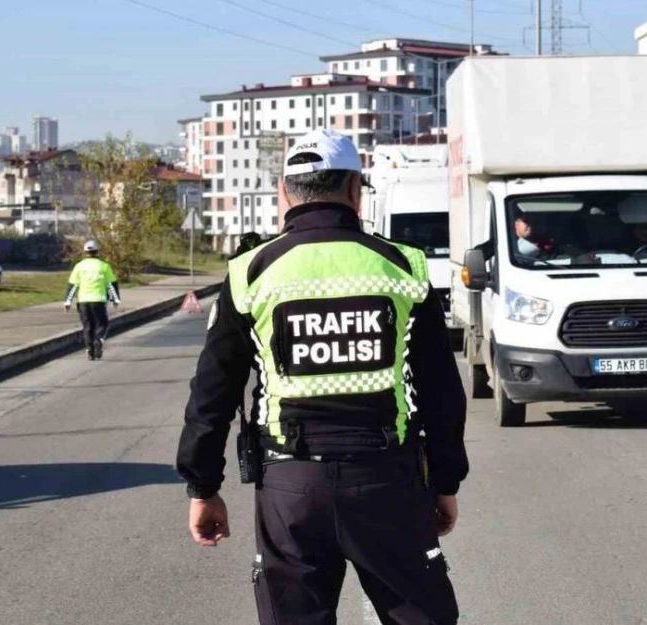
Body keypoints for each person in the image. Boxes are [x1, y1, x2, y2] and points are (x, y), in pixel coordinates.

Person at [175, 128, 468, 625]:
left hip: (290, 486)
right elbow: (441, 389)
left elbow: (213, 394)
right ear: (356, 190)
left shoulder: (250, 272)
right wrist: (444, 481)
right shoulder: (401, 266)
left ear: (284, 193)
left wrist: (203, 488)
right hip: (387, 484)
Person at [64, 240, 120, 361]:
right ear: (97, 252)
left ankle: (89, 349)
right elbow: (111, 284)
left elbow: (73, 285)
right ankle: (98, 339)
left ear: (85, 252)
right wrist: (115, 299)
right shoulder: (104, 266)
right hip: (99, 300)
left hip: (83, 301)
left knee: (87, 326)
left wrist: (68, 301)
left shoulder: (79, 267)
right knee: (102, 324)